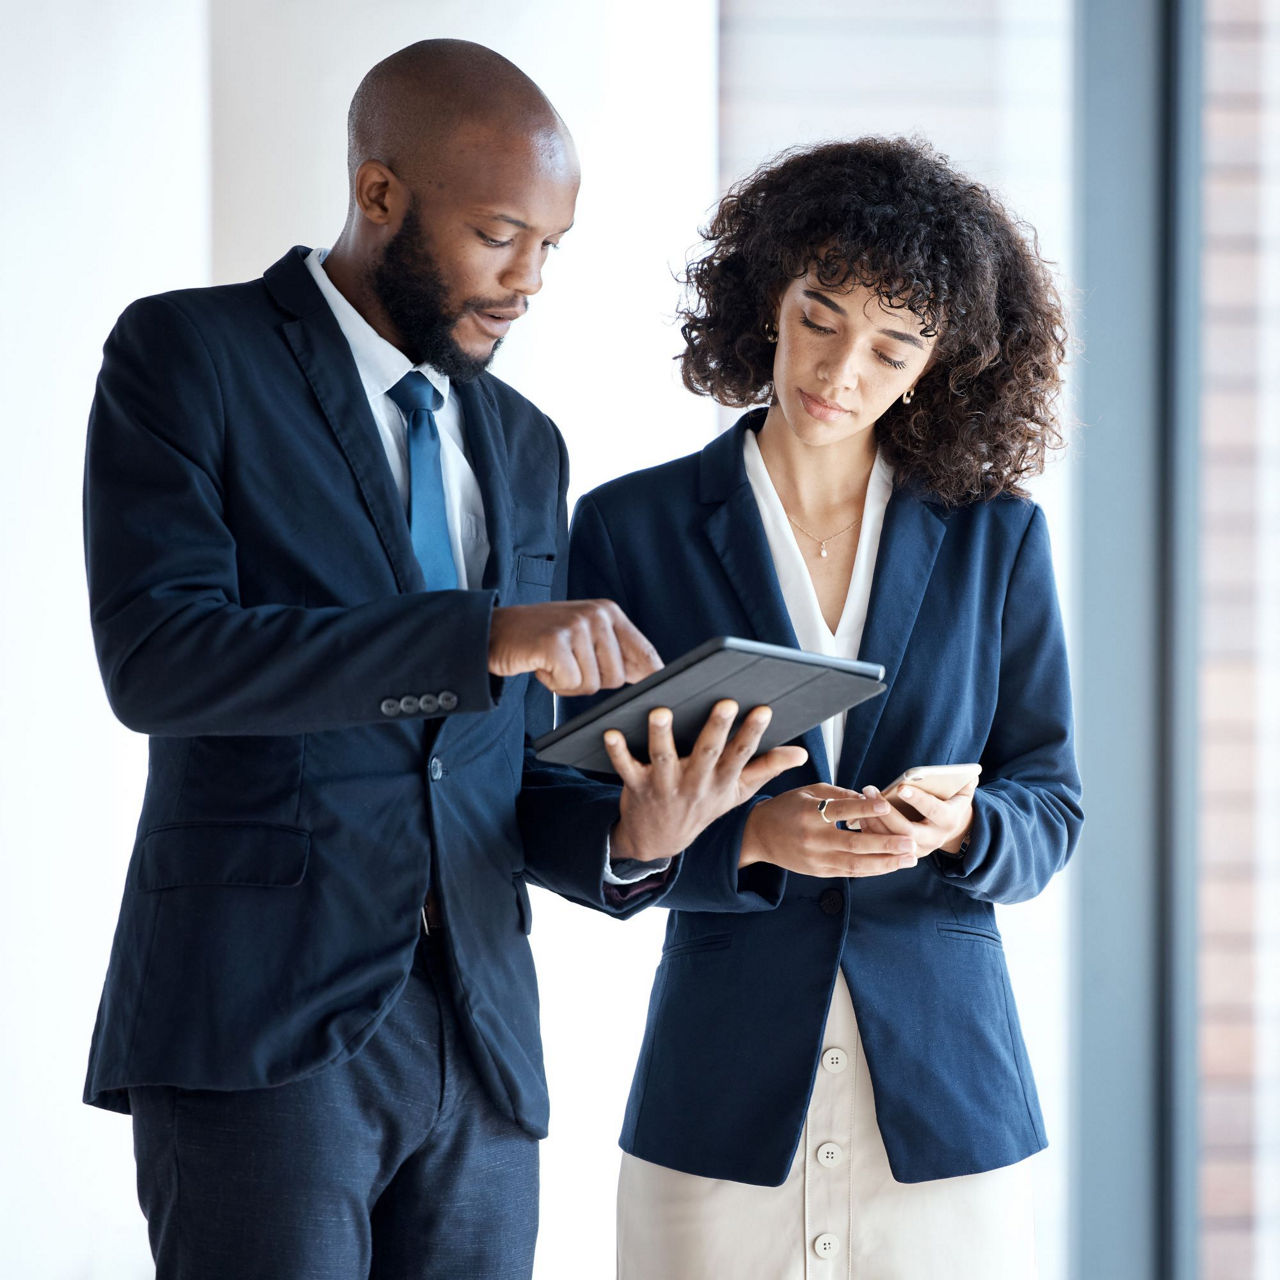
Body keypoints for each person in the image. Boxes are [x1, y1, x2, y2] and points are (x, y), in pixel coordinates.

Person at [81, 39, 802, 1280]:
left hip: (480, 1046)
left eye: (551, 246)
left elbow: (502, 780)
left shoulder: (525, 445)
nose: (528, 279)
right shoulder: (189, 357)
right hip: (263, 1025)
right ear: (378, 196)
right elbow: (161, 658)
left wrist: (643, 832)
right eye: (498, 234)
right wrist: (477, 637)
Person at [564, 137, 1084, 1278]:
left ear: (939, 364)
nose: (840, 370)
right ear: (768, 293)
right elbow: (556, 805)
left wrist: (957, 823)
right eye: (820, 315)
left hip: (947, 1109)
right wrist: (748, 834)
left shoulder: (996, 536)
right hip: (717, 1098)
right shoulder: (627, 529)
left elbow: (1048, 801)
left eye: (891, 345)